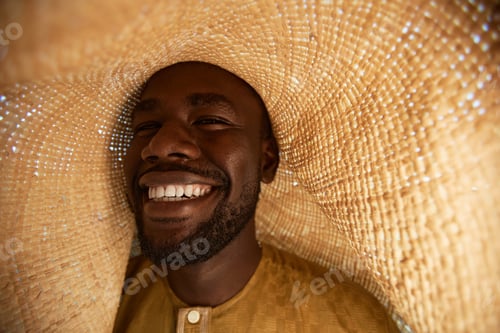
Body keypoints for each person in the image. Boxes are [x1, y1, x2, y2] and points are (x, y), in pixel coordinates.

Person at [113, 61, 399, 332]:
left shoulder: (351, 321)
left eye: (210, 120)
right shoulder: (100, 303)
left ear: (266, 161)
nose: (159, 145)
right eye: (146, 127)